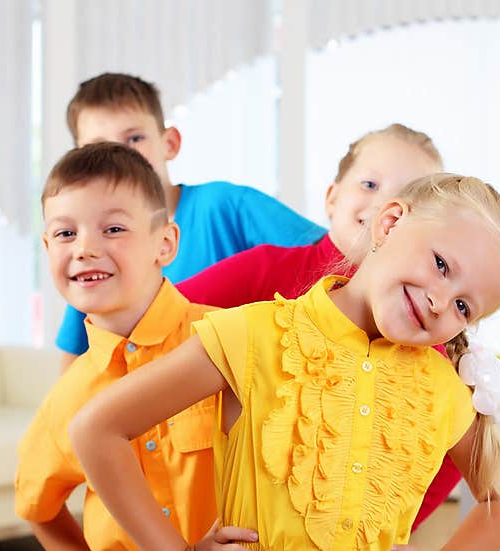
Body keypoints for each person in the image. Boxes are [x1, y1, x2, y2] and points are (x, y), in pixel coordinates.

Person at [70, 172, 500, 551]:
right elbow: (97, 429)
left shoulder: (442, 388)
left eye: (464, 305)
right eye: (441, 265)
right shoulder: (253, 335)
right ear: (391, 223)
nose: (442, 301)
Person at [14, 142, 272, 551]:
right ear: (46, 247)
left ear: (165, 243)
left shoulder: (229, 340)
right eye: (65, 233)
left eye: (112, 229)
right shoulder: (69, 396)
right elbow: (38, 507)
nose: (84, 248)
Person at [177, 124, 461, 531]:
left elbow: (453, 447)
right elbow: (161, 318)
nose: (385, 203)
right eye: (370, 184)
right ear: (332, 197)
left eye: (407, 196)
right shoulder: (266, 270)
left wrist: (391, 531)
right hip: (222, 524)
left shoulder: (418, 331)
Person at [56, 72, 325, 370]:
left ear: (169, 143)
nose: (120, 157)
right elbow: (74, 367)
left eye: (134, 138)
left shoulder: (227, 205)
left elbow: (330, 258)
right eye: (100, 150)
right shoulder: (92, 253)